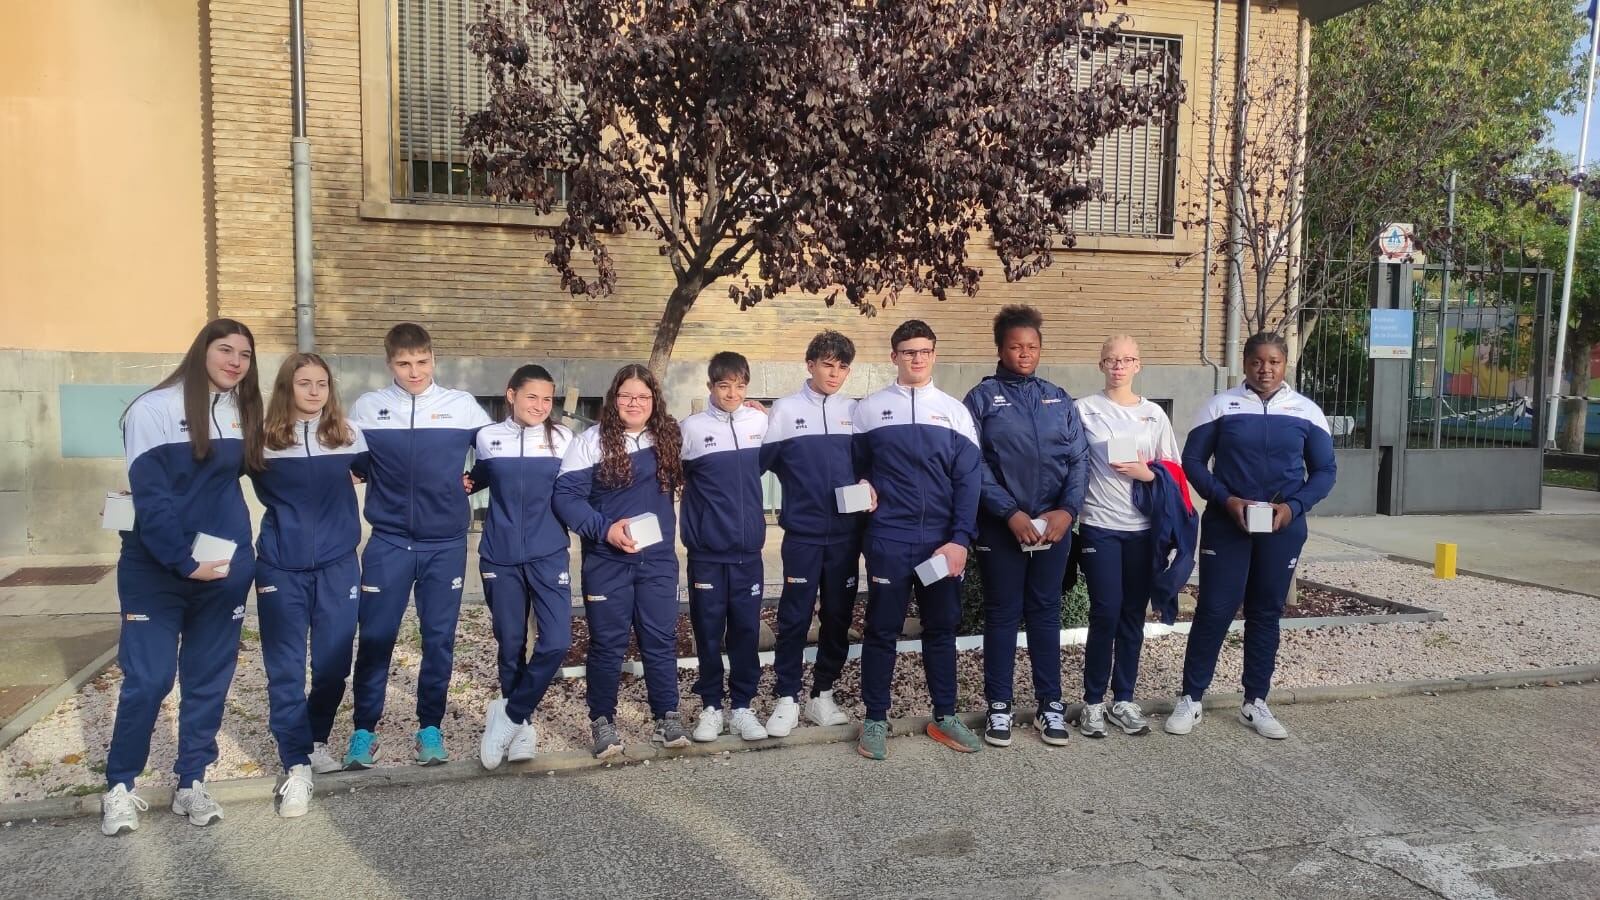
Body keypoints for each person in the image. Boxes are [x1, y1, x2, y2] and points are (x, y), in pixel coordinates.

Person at [100, 319, 264, 837]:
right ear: (202, 351)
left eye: (244, 354)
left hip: (223, 568)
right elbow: (151, 496)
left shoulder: (242, 411)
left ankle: (191, 780)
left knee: (207, 680)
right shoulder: (154, 409)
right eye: (225, 350)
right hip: (156, 570)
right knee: (149, 679)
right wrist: (182, 561)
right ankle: (120, 786)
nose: (235, 361)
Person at [1166, 331, 1337, 740]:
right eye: (1258, 361)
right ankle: (1192, 698)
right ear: (1245, 363)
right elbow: (1193, 461)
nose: (1266, 369)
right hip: (1229, 524)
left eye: (1274, 362)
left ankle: (1255, 701)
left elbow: (1325, 471)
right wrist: (1226, 501)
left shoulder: (1306, 412)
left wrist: (1291, 508)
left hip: (1282, 526)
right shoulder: (1219, 407)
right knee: (1214, 609)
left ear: (1285, 364)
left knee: (1265, 612)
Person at [346, 323, 492, 768]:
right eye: (404, 364)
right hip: (388, 542)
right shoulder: (369, 407)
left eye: (422, 362)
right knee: (375, 639)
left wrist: (474, 482)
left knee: (438, 640)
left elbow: (493, 454)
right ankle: (363, 731)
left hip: (445, 543)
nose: (414, 372)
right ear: (389, 363)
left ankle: (430, 727)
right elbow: (354, 462)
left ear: (434, 359)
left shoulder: (462, 406)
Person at [852, 320, 983, 760]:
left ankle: (944, 716)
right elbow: (854, 468)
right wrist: (862, 485)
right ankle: (874, 719)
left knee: (941, 630)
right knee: (881, 631)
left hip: (940, 545)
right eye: (908, 351)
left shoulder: (954, 412)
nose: (917, 358)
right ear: (894, 356)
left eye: (924, 350)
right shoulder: (869, 410)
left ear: (934, 353)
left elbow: (969, 483)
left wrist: (960, 540)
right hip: (888, 538)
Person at [249, 352, 369, 816]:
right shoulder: (260, 442)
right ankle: (296, 765)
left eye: (322, 383)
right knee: (285, 669)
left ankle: (315, 738)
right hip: (281, 567)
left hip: (339, 566)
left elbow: (391, 472)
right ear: (287, 388)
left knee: (333, 665)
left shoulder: (348, 436)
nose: (315, 391)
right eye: (304, 383)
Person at [963, 306, 1088, 748]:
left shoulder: (1059, 398)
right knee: (1001, 614)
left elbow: (1078, 459)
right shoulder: (980, 400)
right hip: (1003, 528)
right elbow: (972, 463)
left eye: (1031, 346)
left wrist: (1067, 511)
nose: (1024, 354)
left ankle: (1049, 705)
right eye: (1015, 346)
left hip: (1052, 529)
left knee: (1044, 613)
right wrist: (1010, 513)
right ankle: (999, 706)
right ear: (1000, 349)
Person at [553, 365, 690, 757]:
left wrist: (754, 412)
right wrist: (605, 529)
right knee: (608, 644)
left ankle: (667, 715)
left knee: (661, 639)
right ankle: (603, 721)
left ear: (653, 401)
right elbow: (566, 499)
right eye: (627, 396)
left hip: (658, 561)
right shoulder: (590, 442)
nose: (634, 403)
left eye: (643, 397)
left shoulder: (667, 438)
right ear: (614, 399)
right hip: (607, 561)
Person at [760, 330, 870, 736]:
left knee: (838, 617)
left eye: (842, 366)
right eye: (828, 364)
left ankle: (821, 694)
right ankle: (787, 696)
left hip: (845, 536)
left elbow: (868, 466)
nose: (835, 373)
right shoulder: (784, 411)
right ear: (810, 364)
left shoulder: (856, 412)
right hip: (803, 534)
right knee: (793, 617)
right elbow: (760, 461)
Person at [1073, 335, 1181, 739]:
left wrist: (1147, 474)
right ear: (1100, 364)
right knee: (1106, 611)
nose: (1119, 366)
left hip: (1142, 530)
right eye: (1111, 359)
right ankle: (1093, 703)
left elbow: (1173, 472)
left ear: (1139, 365)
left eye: (1127, 359)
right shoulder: (1084, 410)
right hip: (1100, 524)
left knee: (1133, 614)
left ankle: (1124, 698)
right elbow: (1069, 461)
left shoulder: (1154, 415)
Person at [469, 365, 574, 769]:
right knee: (511, 644)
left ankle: (509, 714)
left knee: (557, 641)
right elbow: (473, 478)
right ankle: (524, 725)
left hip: (549, 553)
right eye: (532, 397)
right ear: (510, 395)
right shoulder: (488, 437)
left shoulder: (564, 438)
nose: (541, 406)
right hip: (500, 555)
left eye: (548, 399)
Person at [680, 352, 772, 742]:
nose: (732, 393)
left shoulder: (761, 422)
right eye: (724, 385)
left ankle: (743, 707)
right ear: (710, 387)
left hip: (749, 552)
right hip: (707, 554)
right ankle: (711, 708)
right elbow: (674, 477)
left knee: (746, 632)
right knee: (707, 631)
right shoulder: (692, 429)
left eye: (740, 385)